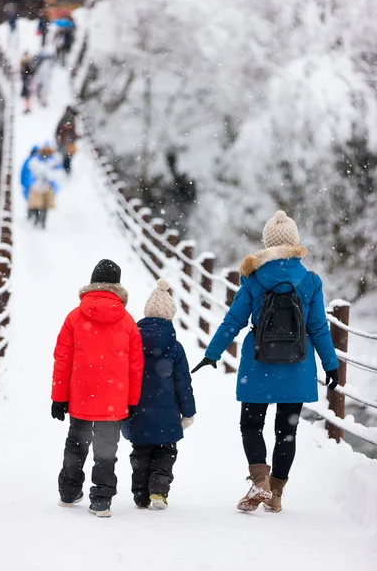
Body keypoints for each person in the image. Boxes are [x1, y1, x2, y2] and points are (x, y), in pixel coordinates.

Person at [192, 210, 339, 513]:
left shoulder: (254, 278)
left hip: (258, 364)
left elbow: (234, 320)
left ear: (267, 243)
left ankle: (260, 481)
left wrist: (212, 353)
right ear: (294, 243)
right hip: (297, 365)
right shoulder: (310, 281)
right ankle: (276, 494)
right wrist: (330, 364)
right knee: (287, 431)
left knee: (251, 425)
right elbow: (318, 327)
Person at [51, 259, 144, 517]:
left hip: (80, 395)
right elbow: (136, 367)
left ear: (92, 284)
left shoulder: (74, 317)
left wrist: (59, 398)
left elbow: (62, 361)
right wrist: (132, 400)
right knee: (106, 449)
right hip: (113, 400)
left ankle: (68, 493)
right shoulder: (127, 322)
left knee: (75, 444)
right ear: (118, 287)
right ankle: (101, 500)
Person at [122, 279, 196, 510]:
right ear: (170, 316)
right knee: (165, 452)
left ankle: (140, 494)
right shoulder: (175, 347)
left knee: (140, 452)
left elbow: (122, 377)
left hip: (137, 410)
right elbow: (183, 382)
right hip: (167, 411)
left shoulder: (131, 342)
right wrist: (188, 412)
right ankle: (158, 490)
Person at [27, 145, 59, 228]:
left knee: (45, 206)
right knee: (37, 205)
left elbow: (54, 175)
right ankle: (37, 220)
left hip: (46, 187)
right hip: (37, 186)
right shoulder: (35, 161)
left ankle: (42, 222)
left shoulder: (51, 161)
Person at [55, 106, 78, 174]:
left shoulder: (66, 116)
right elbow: (68, 129)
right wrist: (74, 136)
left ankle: (66, 170)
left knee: (67, 156)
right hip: (66, 141)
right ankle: (67, 171)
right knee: (67, 156)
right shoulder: (69, 117)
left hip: (65, 140)